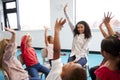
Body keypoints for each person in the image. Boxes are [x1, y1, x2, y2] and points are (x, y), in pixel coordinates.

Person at [89, 12, 117, 80]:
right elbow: (113, 37)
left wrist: (107, 24)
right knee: (92, 70)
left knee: (94, 71)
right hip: (105, 66)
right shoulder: (109, 40)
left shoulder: (114, 49)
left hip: (107, 69)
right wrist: (104, 25)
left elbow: (114, 38)